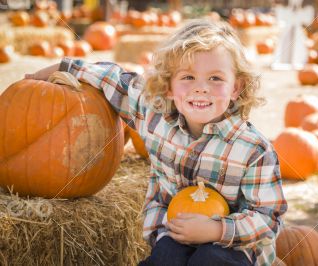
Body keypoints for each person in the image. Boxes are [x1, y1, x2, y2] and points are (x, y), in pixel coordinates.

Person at [26, 19, 287, 266]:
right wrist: (41, 76)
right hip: (173, 236)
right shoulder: (154, 116)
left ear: (236, 88)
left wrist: (215, 229)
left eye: (215, 78)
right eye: (188, 77)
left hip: (233, 249)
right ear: (169, 87)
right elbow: (111, 77)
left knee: (211, 258)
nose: (201, 88)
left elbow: (268, 218)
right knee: (167, 255)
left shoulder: (253, 149)